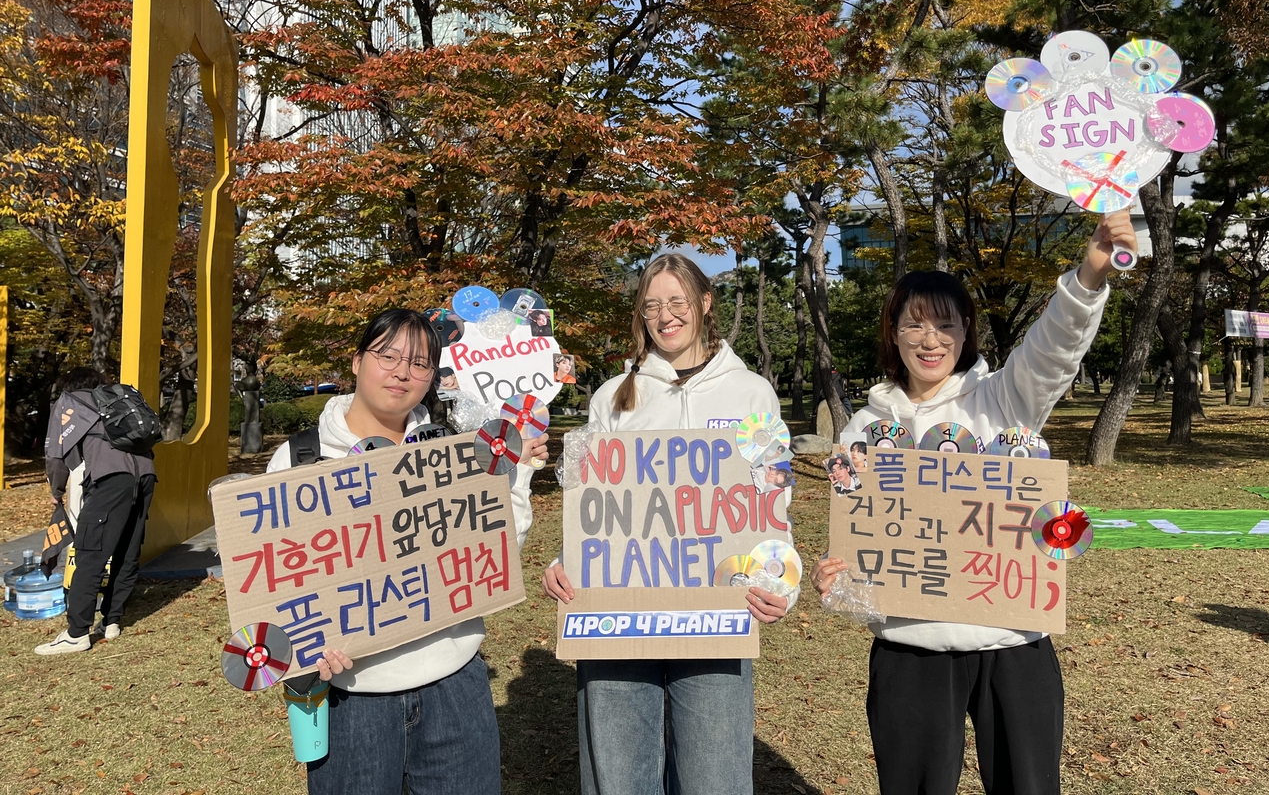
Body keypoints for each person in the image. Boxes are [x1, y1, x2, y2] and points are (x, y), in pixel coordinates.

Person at [810, 214, 1134, 795]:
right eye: (914, 325)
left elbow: (1055, 347)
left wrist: (1089, 276)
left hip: (1014, 645)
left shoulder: (1007, 398)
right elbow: (857, 548)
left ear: (966, 332)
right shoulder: (863, 428)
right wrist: (837, 580)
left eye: (945, 323)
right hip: (910, 651)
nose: (930, 339)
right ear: (893, 333)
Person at [265, 308, 548, 795]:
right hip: (352, 699)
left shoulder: (451, 452)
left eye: (419, 363)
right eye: (387, 355)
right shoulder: (298, 460)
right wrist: (303, 648)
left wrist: (515, 475)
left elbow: (497, 551)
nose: (402, 372)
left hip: (455, 686)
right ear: (356, 362)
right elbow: (275, 583)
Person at [541, 253, 793, 795]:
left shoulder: (751, 394)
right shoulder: (612, 397)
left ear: (704, 303)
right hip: (618, 612)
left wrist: (779, 581)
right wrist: (565, 563)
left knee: (716, 779)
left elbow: (773, 499)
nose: (666, 316)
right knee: (619, 780)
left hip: (717, 615)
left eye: (678, 302)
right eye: (652, 305)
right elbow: (592, 507)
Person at [36, 367, 158, 654]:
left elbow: (55, 455)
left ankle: (77, 633)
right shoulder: (114, 400)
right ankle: (111, 621)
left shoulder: (69, 402)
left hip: (111, 480)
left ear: (68, 386)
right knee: (128, 548)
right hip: (146, 477)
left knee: (90, 552)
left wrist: (56, 490)